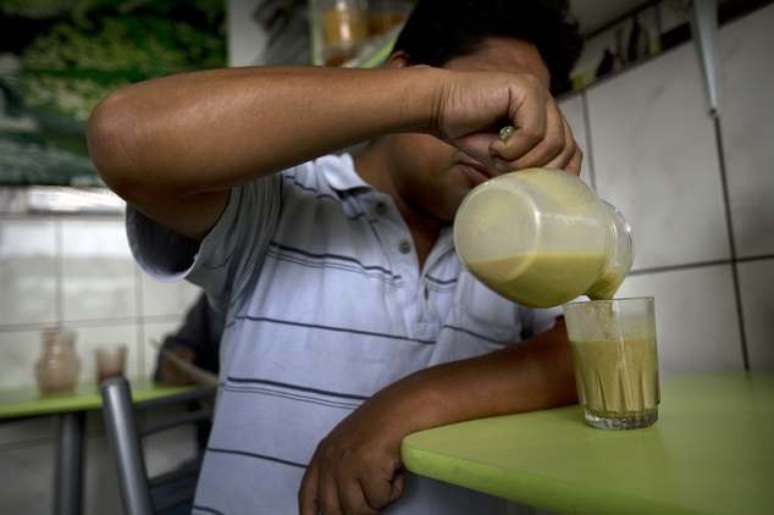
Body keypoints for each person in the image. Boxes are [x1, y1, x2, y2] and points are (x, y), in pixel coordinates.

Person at [87, 1, 584, 513]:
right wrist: (437, 100)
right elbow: (125, 138)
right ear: (404, 80)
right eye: (490, 107)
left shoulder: (513, 242)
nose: (504, 147)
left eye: (524, 121)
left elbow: (592, 349)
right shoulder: (286, 199)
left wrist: (408, 407)